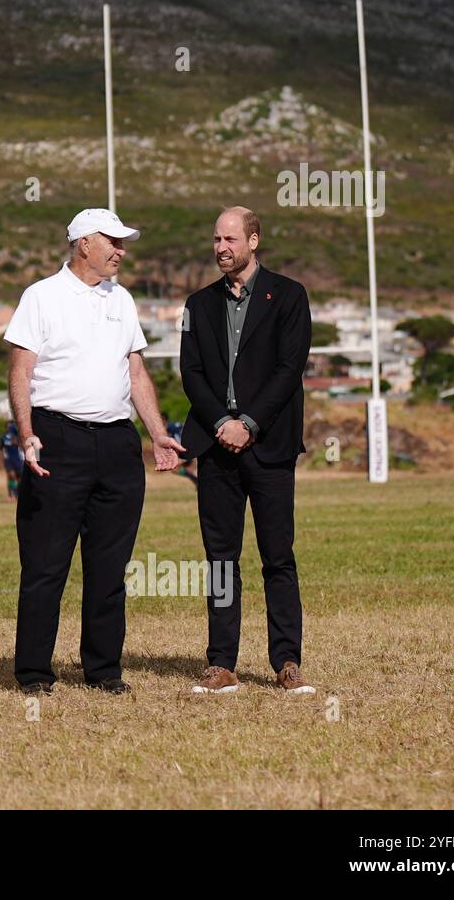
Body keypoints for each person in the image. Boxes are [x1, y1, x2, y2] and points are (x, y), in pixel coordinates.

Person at [5, 208, 184, 696]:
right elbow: (20, 371)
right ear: (85, 243)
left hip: (117, 444)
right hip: (57, 438)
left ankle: (103, 670)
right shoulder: (41, 296)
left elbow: (137, 372)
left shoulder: (122, 299)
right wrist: (27, 435)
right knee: (46, 563)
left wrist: (157, 433)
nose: (122, 251)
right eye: (114, 241)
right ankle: (35, 673)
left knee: (109, 568)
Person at [179, 207, 314, 695]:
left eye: (230, 238)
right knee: (219, 559)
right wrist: (222, 423)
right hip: (216, 448)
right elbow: (190, 372)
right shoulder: (198, 303)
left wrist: (250, 424)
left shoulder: (290, 296)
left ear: (254, 241)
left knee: (278, 556)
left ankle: (287, 661)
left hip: (270, 447)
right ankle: (221, 663)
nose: (221, 247)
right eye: (215, 238)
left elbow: (288, 368)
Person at [0, 419, 24, 500]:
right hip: (9, 460)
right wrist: (1, 460)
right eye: (9, 426)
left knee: (19, 478)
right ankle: (11, 495)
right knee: (11, 476)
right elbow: (1, 449)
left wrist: (16, 441)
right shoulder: (3, 437)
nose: (10, 427)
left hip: (18, 459)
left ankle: (17, 494)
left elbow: (22, 446)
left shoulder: (18, 437)